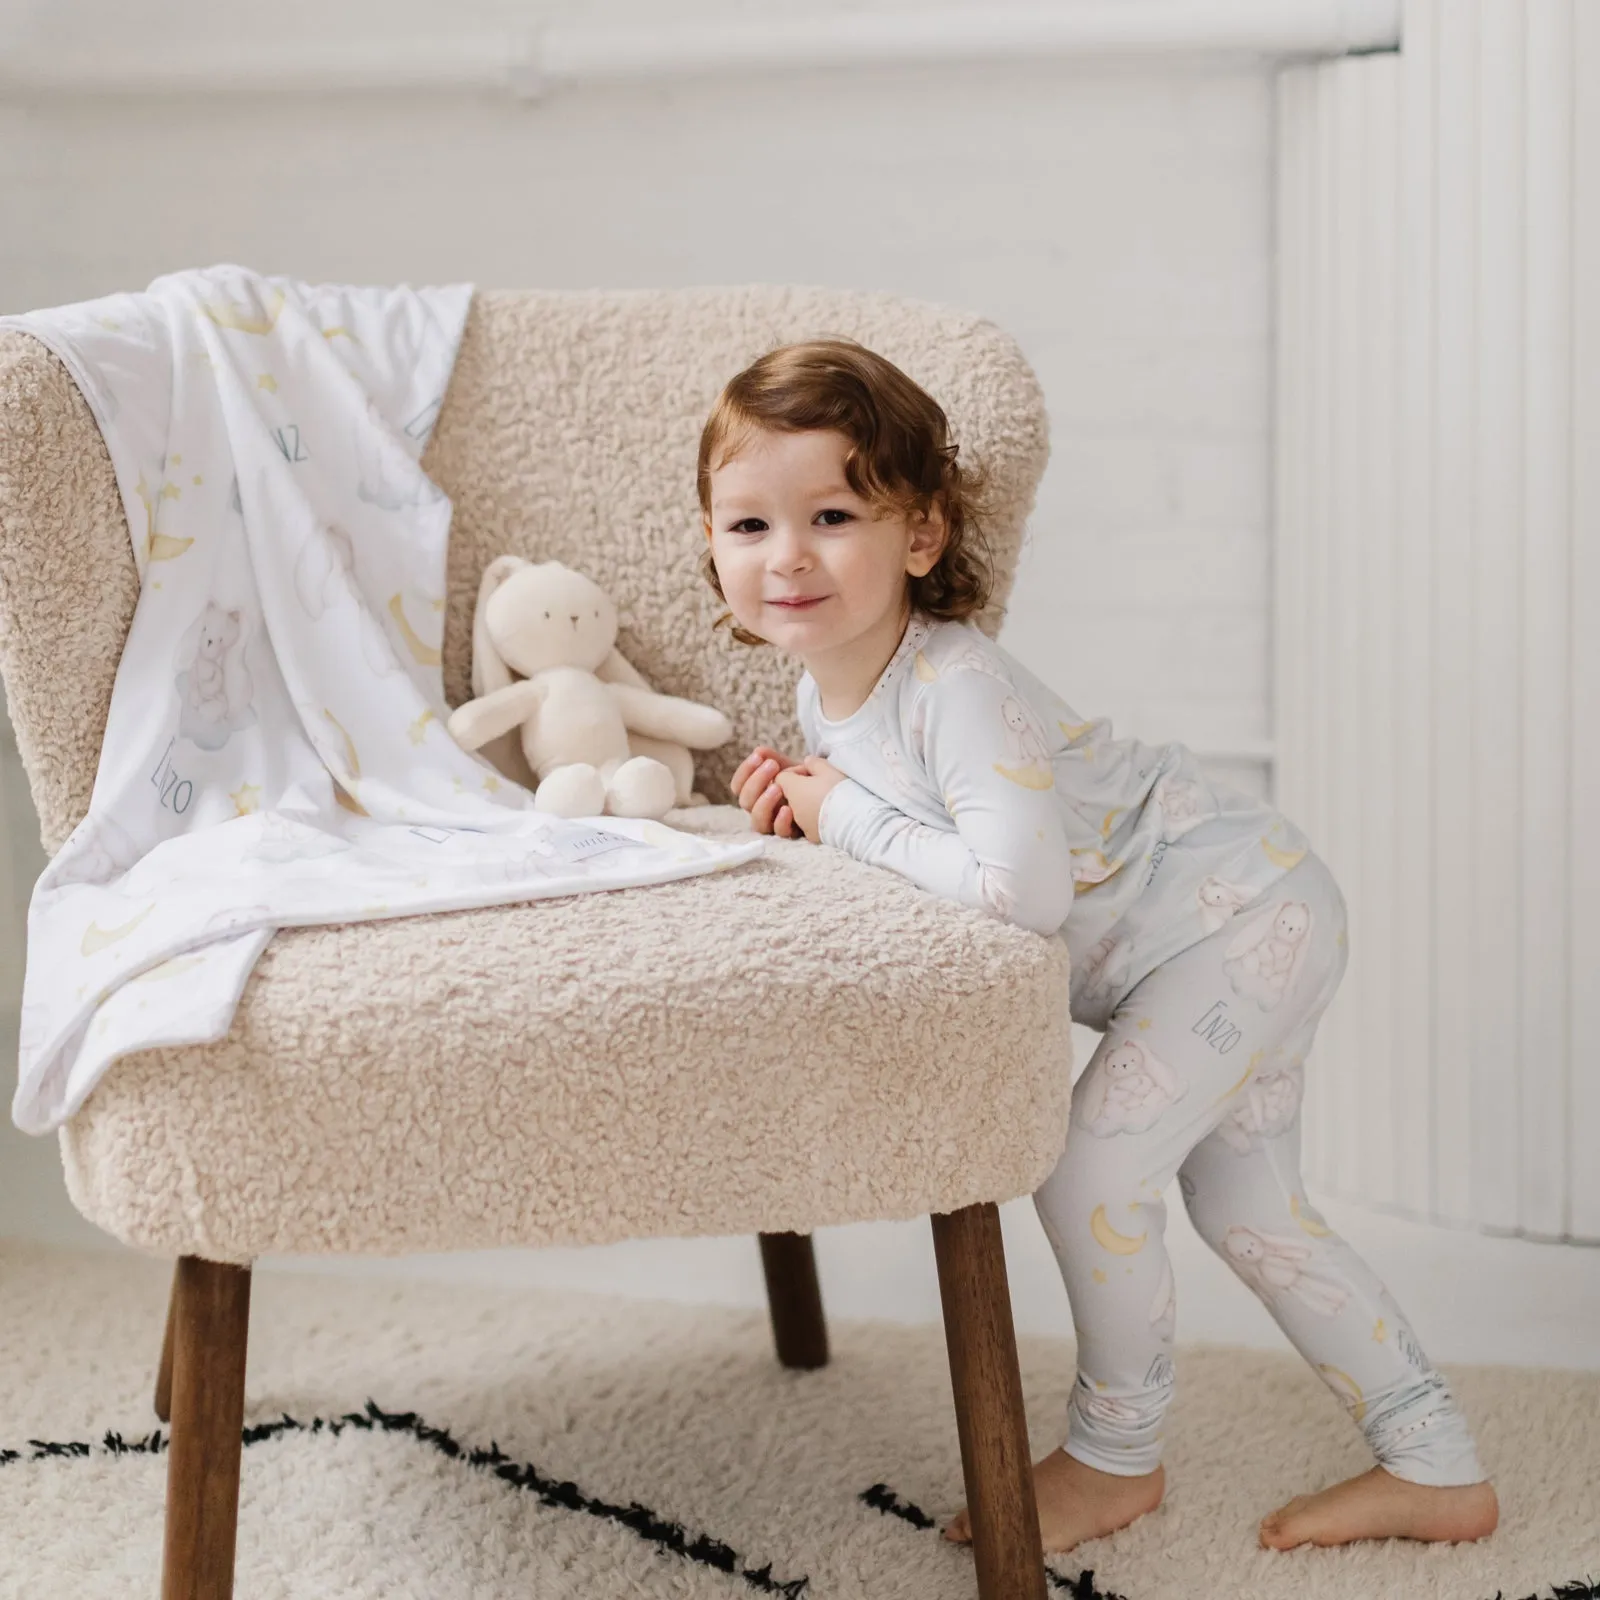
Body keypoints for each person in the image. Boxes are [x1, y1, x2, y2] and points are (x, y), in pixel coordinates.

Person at [698, 337, 1498, 1554]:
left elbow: (1013, 889)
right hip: (1226, 929)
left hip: (1234, 916)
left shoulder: (952, 683)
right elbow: (925, 846)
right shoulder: (825, 690)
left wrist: (844, 815)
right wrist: (816, 805)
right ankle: (1435, 1458)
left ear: (919, 536)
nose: (787, 556)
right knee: (1251, 1205)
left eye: (831, 514)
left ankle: (1115, 1454)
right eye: (748, 526)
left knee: (1087, 1176)